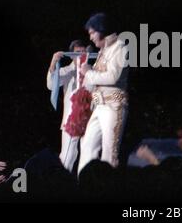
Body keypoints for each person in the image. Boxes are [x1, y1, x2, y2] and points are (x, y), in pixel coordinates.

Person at [78, 13, 129, 174]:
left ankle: (107, 189)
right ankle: (84, 185)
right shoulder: (103, 51)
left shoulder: (120, 47)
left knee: (109, 153)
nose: (91, 37)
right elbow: (94, 81)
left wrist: (89, 73)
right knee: (87, 147)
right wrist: (86, 76)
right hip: (99, 105)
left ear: (102, 29)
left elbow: (114, 76)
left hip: (114, 104)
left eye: (93, 33)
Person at [47, 40, 86, 172]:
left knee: (88, 158)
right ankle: (60, 185)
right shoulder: (67, 71)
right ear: (71, 55)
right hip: (72, 120)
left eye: (83, 52)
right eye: (77, 52)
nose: (81, 55)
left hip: (90, 120)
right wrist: (53, 62)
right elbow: (51, 85)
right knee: (68, 156)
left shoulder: (92, 70)